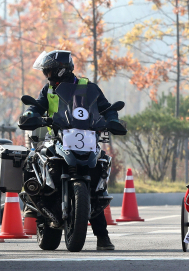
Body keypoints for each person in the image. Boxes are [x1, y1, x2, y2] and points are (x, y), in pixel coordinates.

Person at [21, 50, 125, 250]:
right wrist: (29, 114)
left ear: (61, 70)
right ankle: (31, 202)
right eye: (46, 71)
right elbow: (37, 106)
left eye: (49, 71)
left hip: (86, 136)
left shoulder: (88, 87)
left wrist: (112, 119)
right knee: (33, 158)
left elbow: (105, 107)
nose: (47, 75)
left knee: (97, 175)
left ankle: (102, 237)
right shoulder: (48, 90)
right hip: (57, 136)